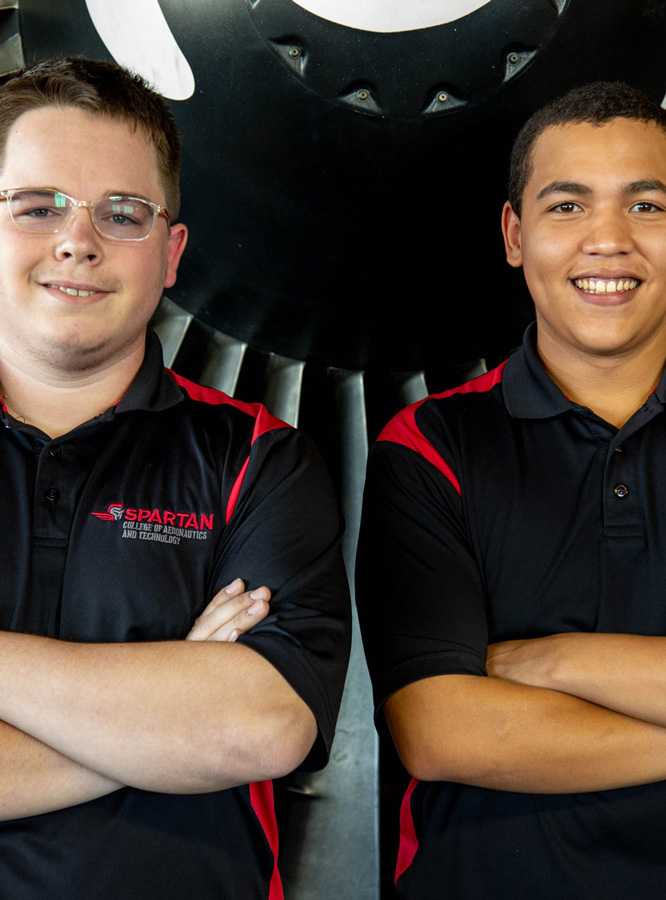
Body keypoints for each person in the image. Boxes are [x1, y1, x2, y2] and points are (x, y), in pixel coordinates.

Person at [0, 57, 350, 899]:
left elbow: (259, 729)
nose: (77, 240)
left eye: (124, 213)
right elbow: (208, 729)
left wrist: (211, 719)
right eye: (36, 206)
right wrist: (166, 714)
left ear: (172, 252)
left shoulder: (260, 458)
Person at [357, 80, 666, 899]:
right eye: (567, 207)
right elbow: (442, 731)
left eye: (647, 207)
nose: (609, 241)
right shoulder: (429, 446)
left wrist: (550, 661)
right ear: (514, 234)